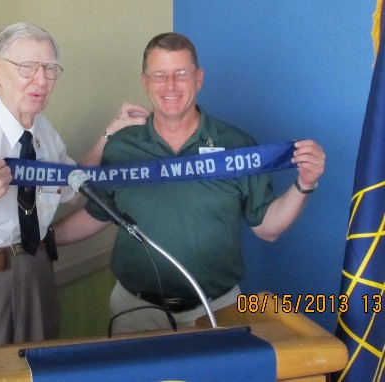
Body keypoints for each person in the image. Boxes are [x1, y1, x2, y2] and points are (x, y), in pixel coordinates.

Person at [0, 22, 148, 380]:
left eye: (50, 69)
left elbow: (71, 186)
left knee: (39, 374)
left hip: (37, 273)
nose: (41, 80)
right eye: (28, 67)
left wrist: (110, 133)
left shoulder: (44, 134)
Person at [53, 32, 325, 335]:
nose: (170, 85)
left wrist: (304, 184)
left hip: (216, 310)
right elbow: (97, 213)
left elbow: (268, 229)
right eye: (160, 75)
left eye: (181, 74)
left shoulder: (238, 145)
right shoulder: (121, 147)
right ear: (145, 82)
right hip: (134, 311)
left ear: (199, 79)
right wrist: (36, 242)